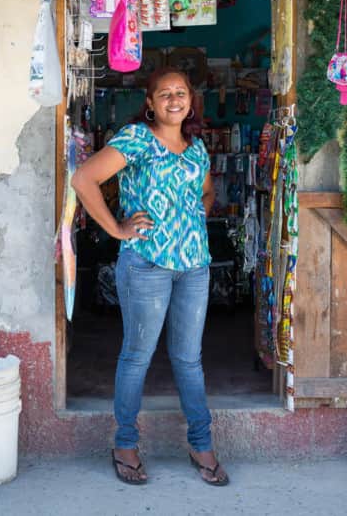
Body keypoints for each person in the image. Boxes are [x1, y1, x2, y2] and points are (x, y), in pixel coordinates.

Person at [71, 67, 230, 487]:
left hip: (194, 265)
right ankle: (125, 443)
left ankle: (201, 443)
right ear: (150, 102)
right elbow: (83, 178)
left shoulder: (196, 149)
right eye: (165, 94)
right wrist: (116, 228)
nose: (174, 100)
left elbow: (207, 191)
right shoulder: (136, 139)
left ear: (191, 99)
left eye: (181, 92)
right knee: (137, 356)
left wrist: (196, 215)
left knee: (189, 360)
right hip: (146, 263)